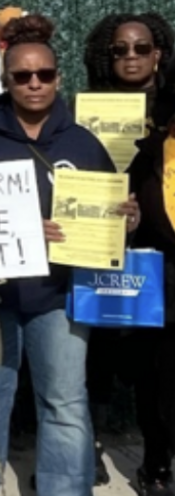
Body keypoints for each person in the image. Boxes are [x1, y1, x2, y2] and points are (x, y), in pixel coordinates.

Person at [0, 15, 140, 496]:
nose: (34, 83)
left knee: (65, 402)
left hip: (56, 297)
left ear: (59, 78)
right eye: (23, 76)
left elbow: (110, 212)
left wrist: (125, 218)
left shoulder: (83, 143)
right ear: (6, 81)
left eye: (44, 74)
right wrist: (21, 230)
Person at [81, 11, 175, 489]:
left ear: (158, 53)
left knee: (156, 367)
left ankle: (157, 460)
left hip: (163, 255)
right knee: (98, 352)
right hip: (101, 242)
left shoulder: (172, 107)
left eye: (141, 48)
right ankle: (90, 445)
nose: (131, 56)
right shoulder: (88, 110)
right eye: (120, 50)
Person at [126, 115, 175, 495]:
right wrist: (130, 219)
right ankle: (156, 464)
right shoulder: (149, 156)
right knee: (157, 384)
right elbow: (127, 211)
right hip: (164, 287)